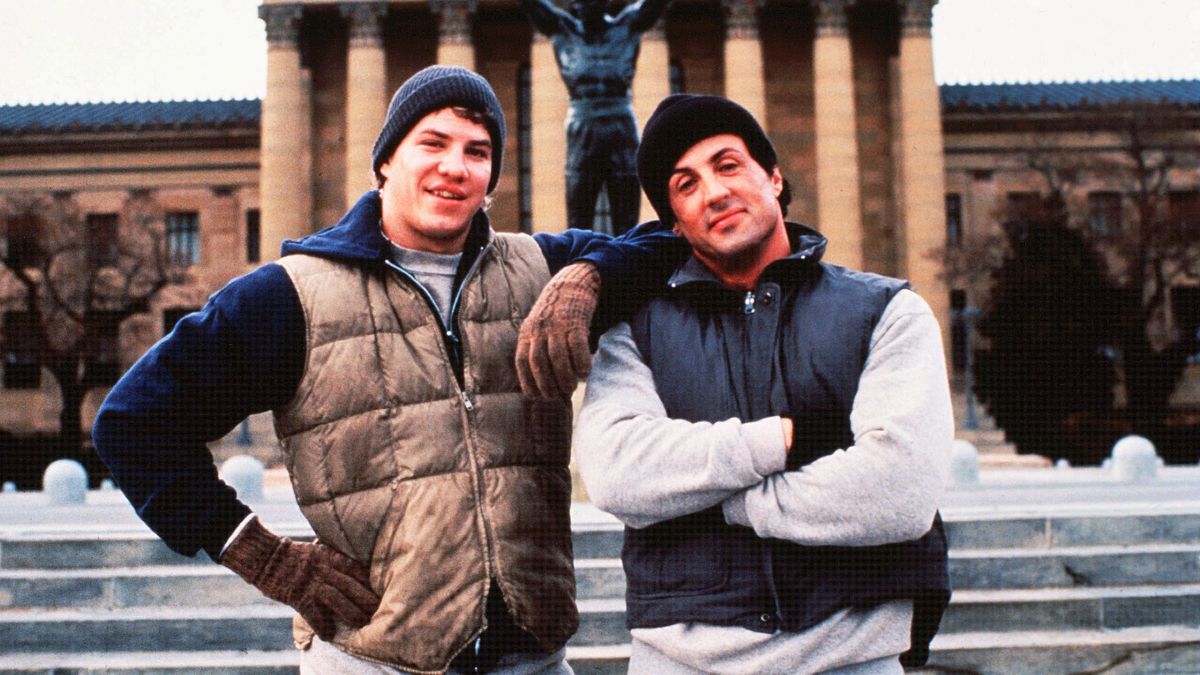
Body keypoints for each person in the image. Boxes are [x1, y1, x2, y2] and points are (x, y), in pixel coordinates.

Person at [93, 66, 675, 675]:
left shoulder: (541, 268)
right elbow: (134, 422)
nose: (456, 166)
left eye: (478, 152)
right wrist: (257, 552)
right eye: (433, 143)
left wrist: (591, 275)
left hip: (532, 657)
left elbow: (674, 239)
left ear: (491, 178)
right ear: (385, 163)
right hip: (374, 659)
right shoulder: (290, 296)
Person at [573, 94, 953, 674]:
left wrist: (710, 498)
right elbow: (615, 473)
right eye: (686, 185)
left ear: (774, 177)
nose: (715, 193)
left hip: (850, 660)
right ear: (674, 223)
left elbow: (898, 492)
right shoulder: (635, 329)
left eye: (727, 166)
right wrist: (783, 442)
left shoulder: (886, 311)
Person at [519, 0, 670, 235]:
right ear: (576, 6)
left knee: (626, 214)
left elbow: (654, 6)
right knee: (580, 212)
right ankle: (578, 265)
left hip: (620, 123)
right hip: (584, 125)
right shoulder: (562, 28)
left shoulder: (628, 25)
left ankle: (629, 265)